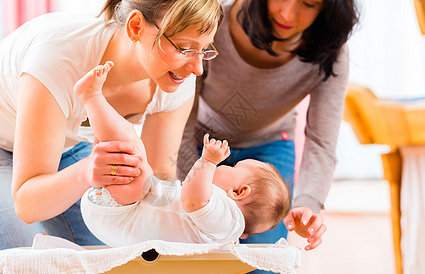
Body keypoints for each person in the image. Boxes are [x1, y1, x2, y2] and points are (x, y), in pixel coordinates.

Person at [0, 0, 223, 274]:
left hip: (67, 144)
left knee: (116, 268)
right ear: (135, 27)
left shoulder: (176, 79)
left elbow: (157, 183)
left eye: (205, 49)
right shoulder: (61, 56)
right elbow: (28, 206)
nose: (197, 68)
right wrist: (85, 172)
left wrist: (208, 224)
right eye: (185, 48)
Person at [176, 0, 359, 274]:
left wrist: (308, 203)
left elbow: (322, 140)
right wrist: (191, 187)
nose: (287, 14)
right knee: (192, 267)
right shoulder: (213, 23)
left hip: (269, 150)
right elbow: (179, 120)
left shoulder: (330, 51)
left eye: (308, 4)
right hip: (202, 148)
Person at [76, 61, 291, 246]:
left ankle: (91, 96)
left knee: (133, 151)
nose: (228, 165)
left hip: (121, 214)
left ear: (239, 191)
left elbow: (194, 200)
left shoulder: (227, 217)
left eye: (235, 167)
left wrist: (208, 161)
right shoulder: (223, 228)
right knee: (131, 155)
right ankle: (100, 123)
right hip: (121, 214)